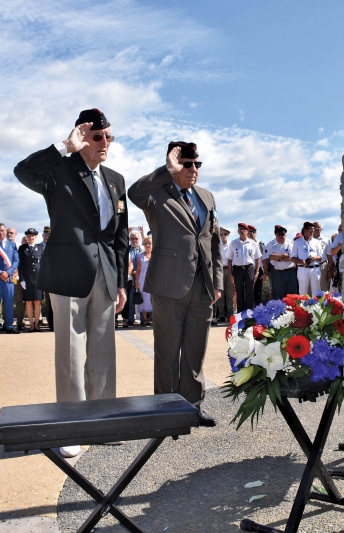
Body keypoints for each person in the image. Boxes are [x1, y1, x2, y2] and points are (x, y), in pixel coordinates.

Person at [14, 108, 129, 458]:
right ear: (82, 138)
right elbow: (23, 171)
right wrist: (64, 147)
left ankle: (103, 421)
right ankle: (72, 426)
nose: (105, 143)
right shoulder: (58, 171)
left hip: (106, 274)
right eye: (97, 137)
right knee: (70, 351)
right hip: (67, 274)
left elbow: (120, 235)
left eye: (109, 136)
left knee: (103, 350)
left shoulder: (115, 179)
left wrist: (121, 281)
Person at [129, 140, 223, 427]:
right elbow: (133, 193)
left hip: (202, 286)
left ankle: (191, 409)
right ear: (175, 165)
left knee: (195, 351)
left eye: (197, 164)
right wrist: (165, 171)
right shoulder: (157, 194)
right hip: (169, 285)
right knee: (167, 351)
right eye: (186, 164)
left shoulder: (206, 197)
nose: (193, 169)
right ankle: (165, 411)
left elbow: (214, 241)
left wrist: (217, 282)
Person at [226, 222, 261, 312]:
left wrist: (257, 272)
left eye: (244, 230)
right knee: (239, 291)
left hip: (249, 268)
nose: (242, 231)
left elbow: (257, 259)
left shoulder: (253, 243)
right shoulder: (234, 243)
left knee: (250, 291)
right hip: (237, 269)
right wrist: (230, 274)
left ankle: (250, 314)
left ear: (247, 231)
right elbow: (229, 259)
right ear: (238, 231)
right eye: (240, 229)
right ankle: (241, 313)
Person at [18, 228, 45, 332]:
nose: (31, 238)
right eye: (29, 236)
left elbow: (43, 264)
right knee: (28, 302)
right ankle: (31, 325)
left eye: (33, 236)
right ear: (27, 238)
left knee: (38, 302)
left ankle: (37, 325)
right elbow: (21, 265)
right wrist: (21, 279)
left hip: (38, 279)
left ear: (36, 237)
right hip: (27, 279)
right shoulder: (22, 248)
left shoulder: (40, 248)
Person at [291, 221, 325, 296]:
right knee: (303, 292)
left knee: (316, 292)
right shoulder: (297, 242)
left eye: (313, 229)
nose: (312, 231)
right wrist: (301, 261)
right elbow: (292, 258)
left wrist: (314, 257)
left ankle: (316, 307)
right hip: (302, 269)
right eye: (310, 229)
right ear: (305, 230)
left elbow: (322, 256)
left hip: (315, 269)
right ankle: (302, 307)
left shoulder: (317, 242)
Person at [265, 225, 297, 300]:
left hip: (290, 272)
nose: (281, 236)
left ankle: (291, 311)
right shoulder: (273, 246)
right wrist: (283, 255)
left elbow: (291, 258)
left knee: (291, 294)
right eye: (279, 235)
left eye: (282, 234)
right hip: (278, 273)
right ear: (276, 236)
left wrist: (278, 258)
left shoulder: (290, 244)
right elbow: (272, 257)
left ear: (285, 235)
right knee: (278, 294)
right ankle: (280, 311)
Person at [121, 231, 142, 327]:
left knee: (140, 298)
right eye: (132, 238)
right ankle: (130, 319)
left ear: (139, 239)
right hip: (129, 277)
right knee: (129, 300)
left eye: (136, 239)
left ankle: (142, 319)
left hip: (139, 277)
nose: (134, 240)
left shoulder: (142, 249)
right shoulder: (126, 250)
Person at [213, 227, 235, 323]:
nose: (222, 236)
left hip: (229, 269)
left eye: (224, 234)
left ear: (228, 235)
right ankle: (221, 314)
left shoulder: (231, 244)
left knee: (229, 293)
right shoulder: (217, 244)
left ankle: (230, 314)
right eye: (221, 234)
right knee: (219, 293)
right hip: (219, 270)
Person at [133, 236, 153, 326]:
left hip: (154, 280)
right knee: (144, 299)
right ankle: (144, 319)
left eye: (149, 243)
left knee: (154, 299)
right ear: (143, 245)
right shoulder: (140, 255)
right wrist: (136, 281)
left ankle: (154, 319)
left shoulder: (156, 255)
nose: (148, 245)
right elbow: (138, 269)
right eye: (146, 243)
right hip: (143, 279)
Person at [313, 221, 331, 292]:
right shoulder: (308, 240)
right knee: (311, 289)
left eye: (318, 227)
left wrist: (330, 270)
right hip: (311, 266)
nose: (316, 228)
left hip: (322, 266)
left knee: (324, 288)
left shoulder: (326, 240)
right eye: (315, 227)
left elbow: (329, 256)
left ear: (322, 229)